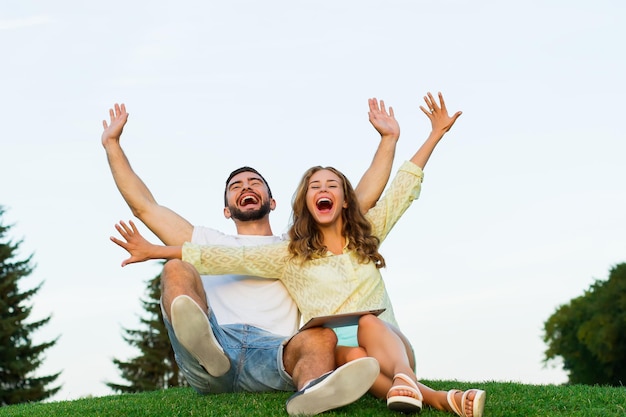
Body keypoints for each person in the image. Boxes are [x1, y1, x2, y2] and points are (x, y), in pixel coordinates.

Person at [111, 92, 486, 417]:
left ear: (273, 201)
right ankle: (205, 346)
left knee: (337, 335)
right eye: (236, 185)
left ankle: (328, 388)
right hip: (239, 347)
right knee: (180, 265)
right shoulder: (223, 243)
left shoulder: (295, 246)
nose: (246, 186)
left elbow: (374, 198)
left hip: (286, 353)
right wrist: (112, 147)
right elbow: (155, 215)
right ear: (227, 207)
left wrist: (393, 139)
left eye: (254, 182)